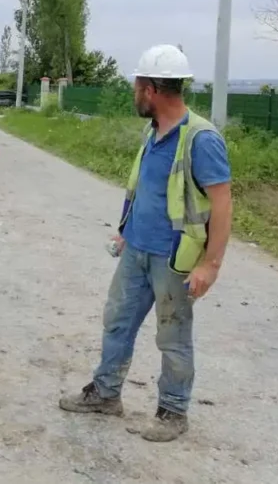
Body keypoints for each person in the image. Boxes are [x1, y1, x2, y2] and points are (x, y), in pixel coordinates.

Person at [59, 44, 233, 443]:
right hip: (136, 249)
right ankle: (105, 393)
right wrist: (125, 227)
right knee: (117, 322)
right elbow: (146, 188)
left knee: (173, 336)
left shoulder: (202, 140)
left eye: (137, 85)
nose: (134, 93)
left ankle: (173, 411)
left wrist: (211, 265)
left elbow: (222, 203)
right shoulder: (152, 130)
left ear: (151, 90)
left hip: (174, 259)